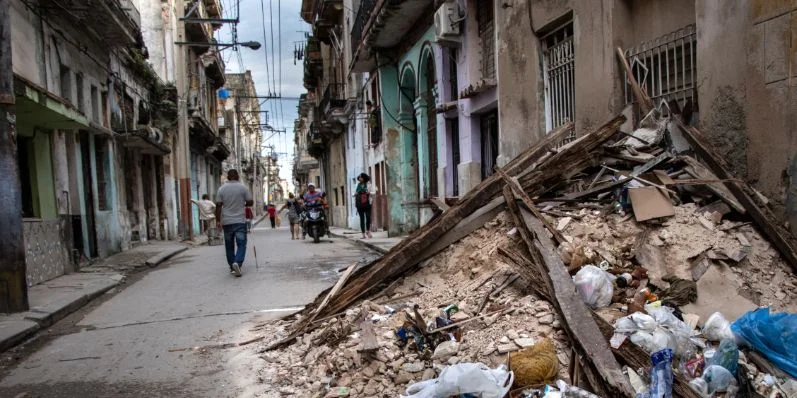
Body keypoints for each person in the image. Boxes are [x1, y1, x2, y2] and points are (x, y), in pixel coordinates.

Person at [215, 169, 253, 277]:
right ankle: (238, 262)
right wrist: (243, 202)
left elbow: (218, 205)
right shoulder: (243, 188)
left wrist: (218, 220)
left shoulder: (221, 189)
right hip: (240, 221)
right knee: (241, 244)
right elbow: (250, 202)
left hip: (227, 221)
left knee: (229, 245)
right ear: (237, 177)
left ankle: (232, 267)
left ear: (227, 177)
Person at [354, 173, 373, 239]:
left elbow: (374, 192)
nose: (360, 178)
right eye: (359, 177)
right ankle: (363, 234)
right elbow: (354, 193)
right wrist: (355, 193)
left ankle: (368, 231)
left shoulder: (369, 185)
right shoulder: (357, 185)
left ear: (364, 178)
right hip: (359, 204)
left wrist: (369, 192)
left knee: (368, 217)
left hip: (367, 203)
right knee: (362, 219)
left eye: (361, 177)